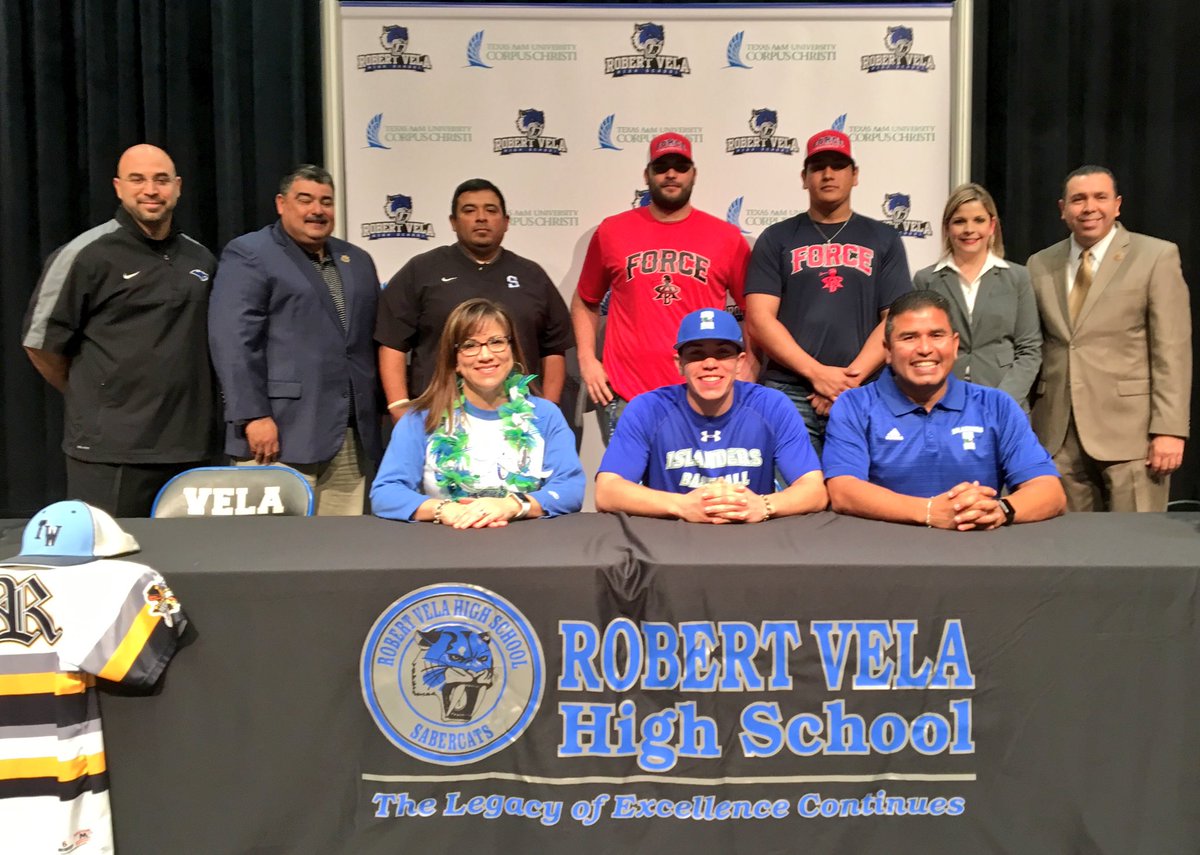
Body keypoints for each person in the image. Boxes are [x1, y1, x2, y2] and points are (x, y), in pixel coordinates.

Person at [21, 144, 218, 516]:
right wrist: (94, 396)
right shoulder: (85, 254)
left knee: (192, 554)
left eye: (161, 180)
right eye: (137, 179)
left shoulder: (202, 258)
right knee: (110, 552)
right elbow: (40, 344)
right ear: (118, 187)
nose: (150, 190)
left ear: (178, 187)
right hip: (110, 453)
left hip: (191, 448)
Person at [208, 164, 382, 515]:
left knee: (342, 543)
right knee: (273, 543)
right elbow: (233, 342)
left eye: (326, 202)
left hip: (349, 437)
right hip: (277, 433)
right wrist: (253, 416)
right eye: (305, 200)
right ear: (281, 203)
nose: (317, 210)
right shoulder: (250, 253)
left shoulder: (357, 260)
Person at [823, 291, 1065, 529]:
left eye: (937, 335)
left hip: (976, 545)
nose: (925, 348)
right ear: (887, 351)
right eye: (909, 338)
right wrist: (929, 512)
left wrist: (999, 510)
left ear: (955, 345)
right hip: (883, 548)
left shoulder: (996, 405)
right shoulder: (854, 405)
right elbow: (843, 491)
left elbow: (1049, 491)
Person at [1027, 165, 1191, 512]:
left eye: (1099, 197)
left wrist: (1169, 429)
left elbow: (1172, 350)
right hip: (1057, 436)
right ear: (1063, 209)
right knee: (1066, 542)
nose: (1089, 207)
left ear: (1117, 205)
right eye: (1078, 199)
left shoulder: (1156, 256)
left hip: (1133, 436)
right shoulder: (1039, 264)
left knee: (1136, 541)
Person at [571, 132, 752, 443]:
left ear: (693, 174)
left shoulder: (726, 237)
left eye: (680, 167)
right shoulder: (612, 231)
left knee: (702, 477)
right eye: (661, 167)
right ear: (647, 175)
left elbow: (755, 310)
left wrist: (750, 364)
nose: (671, 174)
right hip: (626, 395)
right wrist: (587, 360)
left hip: (702, 394)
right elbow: (586, 299)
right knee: (626, 478)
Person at [745, 128, 912, 457]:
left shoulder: (884, 238)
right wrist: (817, 374)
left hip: (863, 388)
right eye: (818, 167)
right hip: (790, 389)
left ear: (855, 175)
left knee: (860, 486)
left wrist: (847, 381)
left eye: (838, 166)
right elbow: (759, 319)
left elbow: (895, 320)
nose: (828, 174)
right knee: (794, 487)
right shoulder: (776, 237)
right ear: (804, 178)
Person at [595, 308, 826, 523]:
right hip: (671, 537)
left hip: (750, 536)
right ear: (679, 364)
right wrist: (682, 506)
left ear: (740, 362)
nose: (710, 363)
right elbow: (607, 491)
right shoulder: (648, 409)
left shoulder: (771, 405)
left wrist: (762, 505)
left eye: (723, 353)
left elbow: (814, 491)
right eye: (696, 354)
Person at [371, 298, 584, 526]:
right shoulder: (421, 418)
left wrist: (513, 505)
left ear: (512, 350)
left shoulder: (544, 414)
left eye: (496, 342)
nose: (485, 355)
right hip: (448, 538)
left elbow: (570, 488)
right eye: (470, 345)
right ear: (454, 359)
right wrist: (445, 509)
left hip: (524, 540)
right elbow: (386, 493)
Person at [376, 178, 573, 421]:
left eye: (491, 210)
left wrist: (549, 409)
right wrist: (398, 405)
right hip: (439, 418)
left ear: (506, 222)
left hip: (517, 421)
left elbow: (554, 349)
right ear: (453, 222)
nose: (481, 218)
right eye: (469, 210)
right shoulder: (422, 270)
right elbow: (392, 341)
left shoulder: (531, 275)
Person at [913, 183, 1041, 410]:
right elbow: (921, 347)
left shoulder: (1018, 278)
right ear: (947, 228)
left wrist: (1002, 402)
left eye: (978, 220)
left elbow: (1029, 350)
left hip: (1005, 402)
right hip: (943, 403)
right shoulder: (926, 280)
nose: (969, 229)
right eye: (959, 221)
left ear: (992, 226)